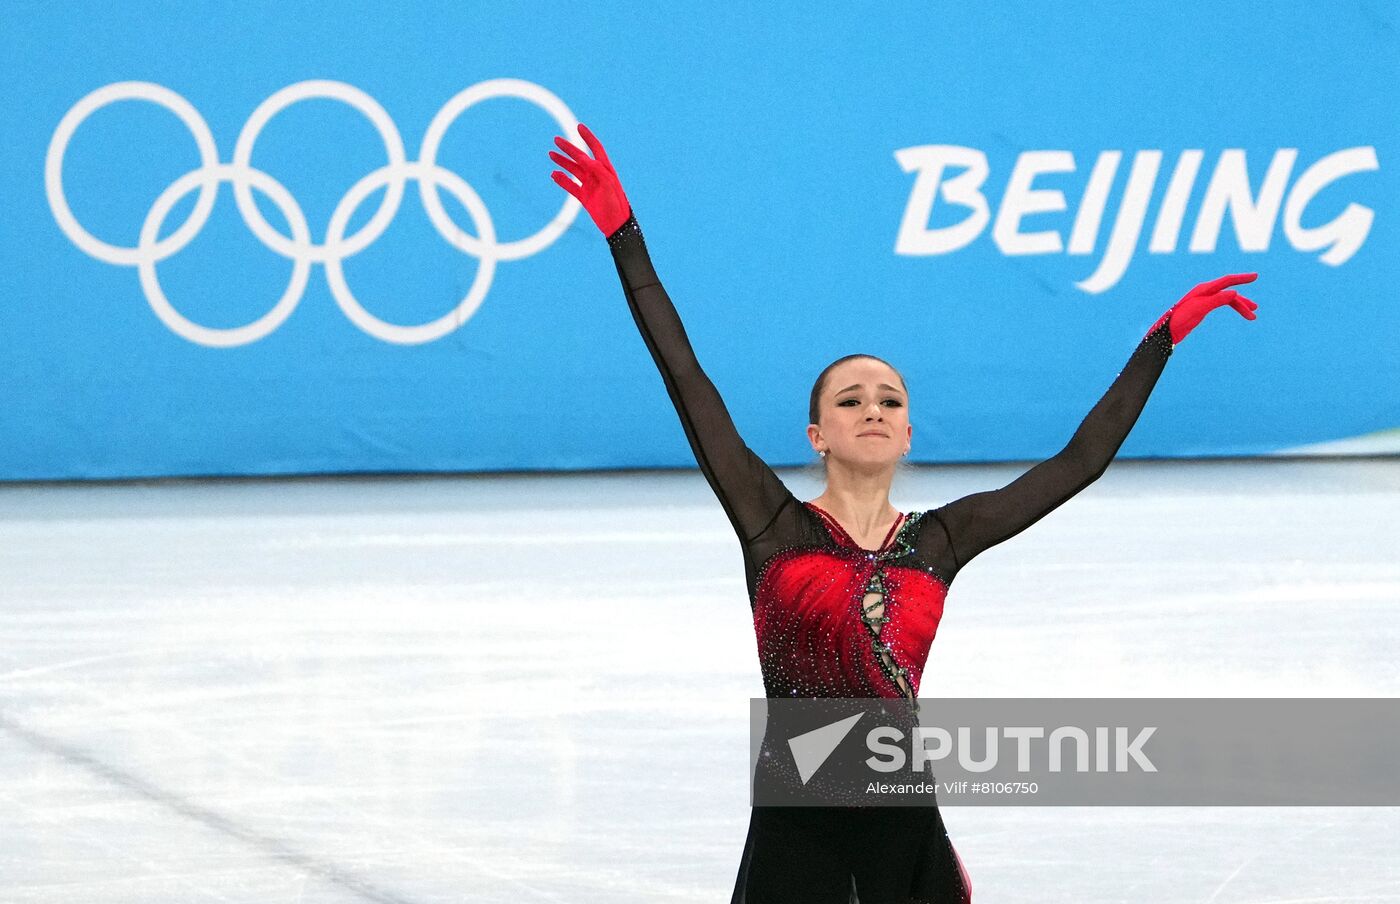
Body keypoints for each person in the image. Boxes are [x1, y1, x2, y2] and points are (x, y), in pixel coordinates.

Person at [548, 124, 1258, 904]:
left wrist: (1160, 340)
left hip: (901, 813)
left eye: (890, 399)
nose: (873, 409)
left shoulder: (939, 540)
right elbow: (684, 374)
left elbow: (1076, 464)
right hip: (798, 815)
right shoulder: (772, 525)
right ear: (817, 435)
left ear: (910, 432)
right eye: (850, 401)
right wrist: (625, 237)